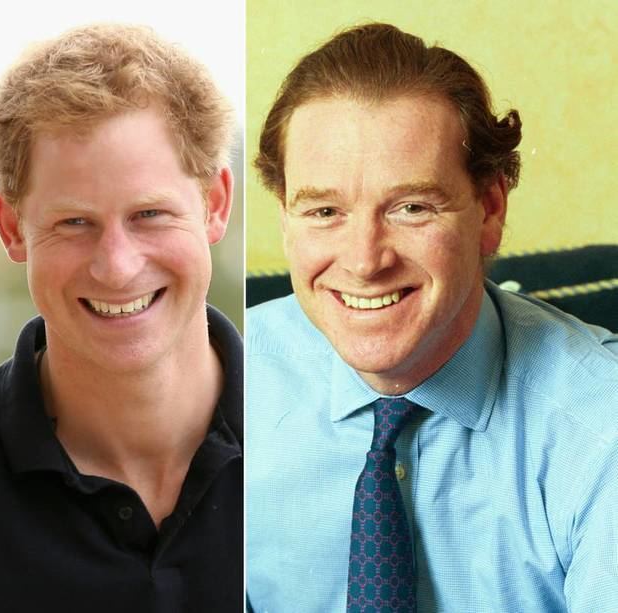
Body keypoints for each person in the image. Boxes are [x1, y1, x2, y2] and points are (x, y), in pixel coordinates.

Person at [0, 24, 242, 612]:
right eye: (74, 222)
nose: (117, 267)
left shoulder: (343, 459)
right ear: (12, 227)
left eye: (149, 214)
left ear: (216, 204)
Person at [246, 22, 618, 612]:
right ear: (285, 221)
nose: (365, 260)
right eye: (323, 210)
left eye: (412, 207)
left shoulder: (601, 434)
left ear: (490, 210)